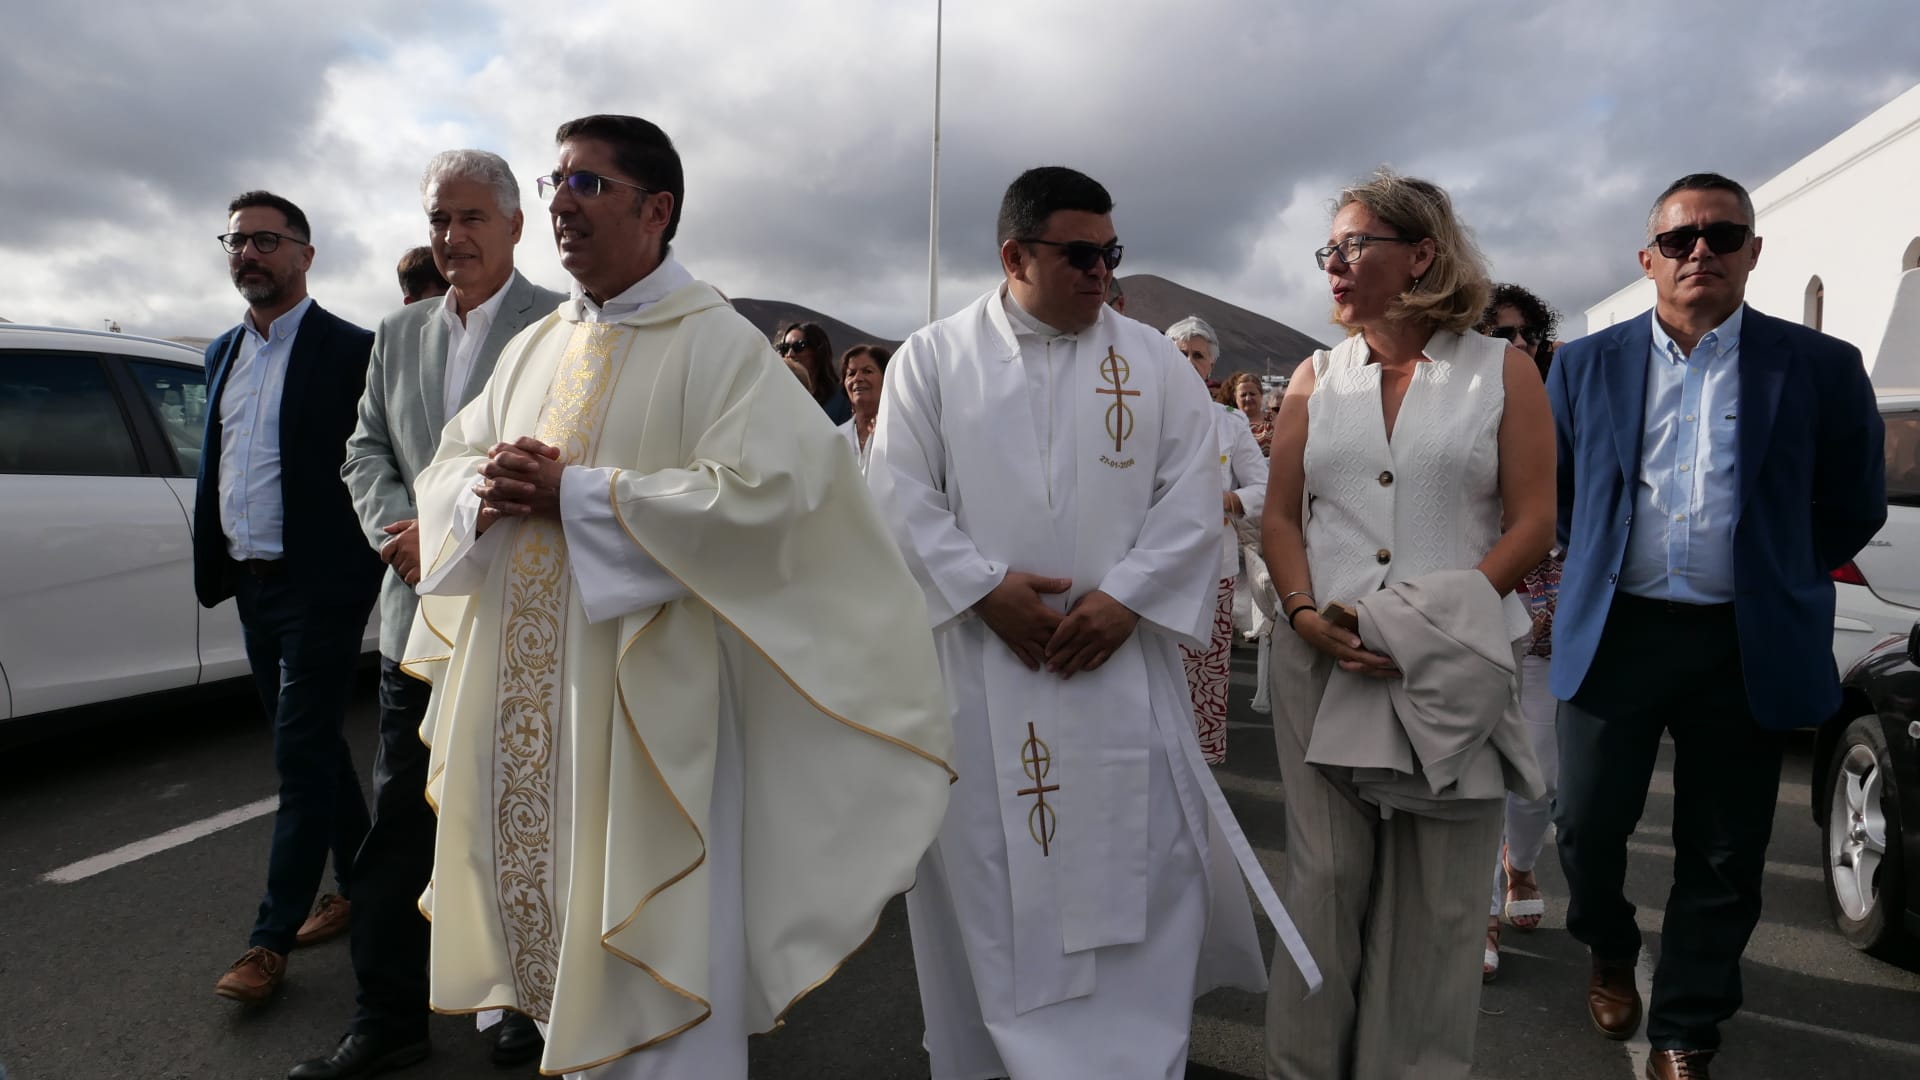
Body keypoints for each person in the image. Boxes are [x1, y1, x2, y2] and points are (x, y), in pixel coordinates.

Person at [399, 114, 952, 1080]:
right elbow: (449, 463)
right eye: (556, 182)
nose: (562, 204)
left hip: (648, 706)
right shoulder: (537, 345)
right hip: (538, 702)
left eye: (589, 186)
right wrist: (483, 490)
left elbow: (776, 499)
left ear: (658, 210)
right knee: (554, 932)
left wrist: (580, 493)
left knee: (653, 955)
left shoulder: (719, 345)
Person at [870, 165, 1307, 1080]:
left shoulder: (1151, 364)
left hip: (1113, 672)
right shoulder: (933, 360)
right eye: (1079, 254)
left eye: (1111, 252)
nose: (1101, 271)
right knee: (991, 886)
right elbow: (898, 498)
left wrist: (1125, 600)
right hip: (983, 677)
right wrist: (986, 591)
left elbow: (1194, 496)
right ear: (1013, 255)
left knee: (1135, 874)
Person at [1548, 172, 1885, 1080]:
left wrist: (1779, 569)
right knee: (1582, 823)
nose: (1704, 250)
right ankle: (1610, 945)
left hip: (1745, 640)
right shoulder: (1584, 365)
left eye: (1724, 236)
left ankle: (1685, 1026)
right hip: (1619, 630)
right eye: (1683, 237)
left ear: (1753, 252)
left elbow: (1854, 500)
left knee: (1726, 846)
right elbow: (1563, 495)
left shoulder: (1819, 366)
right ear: (1648, 257)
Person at [1260, 168, 1554, 1080]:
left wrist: (1431, 620)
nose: (1335, 266)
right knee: (1324, 888)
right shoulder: (1315, 376)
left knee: (1438, 912)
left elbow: (1534, 520)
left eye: (1356, 246)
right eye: (1330, 251)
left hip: (1449, 668)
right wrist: (1304, 613)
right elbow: (1279, 516)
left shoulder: (1502, 371)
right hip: (1322, 663)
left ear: (1421, 254)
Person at [294, 150, 565, 1080]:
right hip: (414, 621)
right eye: (439, 221)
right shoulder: (399, 333)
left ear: (514, 225)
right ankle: (389, 1016)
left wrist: (451, 533)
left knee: (518, 820)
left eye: (472, 219)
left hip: (514, 618)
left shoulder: (562, 328)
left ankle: (527, 1003)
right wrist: (395, 533)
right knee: (400, 828)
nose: (452, 239)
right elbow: (365, 446)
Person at [197, 191, 383, 1004]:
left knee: (297, 756)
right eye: (236, 242)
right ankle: (368, 880)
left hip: (320, 586)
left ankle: (268, 941)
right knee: (311, 747)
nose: (248, 254)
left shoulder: (353, 350)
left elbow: (378, 460)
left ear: (305, 254)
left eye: (265, 241)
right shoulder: (219, 354)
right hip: (251, 585)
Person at [1473, 282, 1563, 983]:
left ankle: (1522, 865)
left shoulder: (1567, 406)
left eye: (1525, 334)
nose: (1516, 346)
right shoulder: (1454, 404)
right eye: (1499, 335)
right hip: (1470, 614)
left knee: (1537, 774)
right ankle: (1481, 911)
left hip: (1551, 622)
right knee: (1472, 771)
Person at [1165, 317, 1267, 765]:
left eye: (1198, 355)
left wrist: (1230, 498)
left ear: (1211, 367)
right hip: (1152, 566)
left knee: (1205, 674)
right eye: (1181, 353)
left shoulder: (1229, 423)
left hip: (1212, 568)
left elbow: (1263, 487)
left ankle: (1203, 770)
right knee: (1155, 673)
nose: (1188, 362)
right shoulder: (1135, 413)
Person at [776, 321, 851, 423]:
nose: (790, 354)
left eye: (799, 346)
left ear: (817, 351)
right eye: (784, 348)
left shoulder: (840, 399)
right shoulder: (774, 392)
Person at [835, 343, 890, 472]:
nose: (857, 378)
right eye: (851, 373)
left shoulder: (900, 433)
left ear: (886, 378)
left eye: (867, 371)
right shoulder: (835, 437)